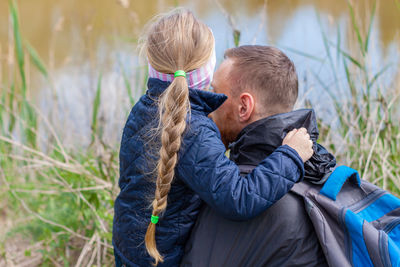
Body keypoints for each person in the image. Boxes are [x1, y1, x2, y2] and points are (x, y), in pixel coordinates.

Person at [112, 9, 314, 267]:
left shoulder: (142, 110)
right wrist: (290, 155)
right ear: (207, 71)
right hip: (163, 257)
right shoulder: (195, 131)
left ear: (152, 64)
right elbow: (239, 198)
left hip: (129, 244)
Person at [182, 45, 336, 266]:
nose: (206, 105)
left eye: (215, 93)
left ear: (244, 106)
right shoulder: (320, 170)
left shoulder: (233, 199)